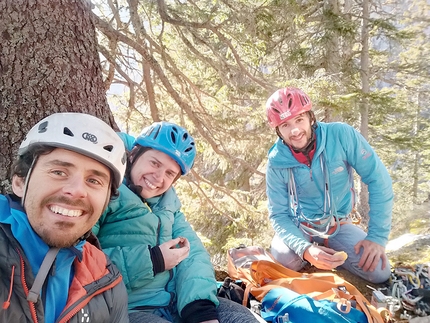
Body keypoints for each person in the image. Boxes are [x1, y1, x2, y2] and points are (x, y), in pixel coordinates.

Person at [93, 121, 262, 323]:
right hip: (130, 308)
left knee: (242, 319)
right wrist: (154, 260)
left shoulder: (168, 205)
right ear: (134, 154)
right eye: (154, 163)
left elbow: (194, 255)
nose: (158, 177)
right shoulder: (105, 191)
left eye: (169, 173)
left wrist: (199, 309)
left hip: (178, 304)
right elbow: (80, 260)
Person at [0, 113, 129, 323]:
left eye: (94, 180)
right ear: (20, 183)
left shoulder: (107, 281)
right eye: (59, 172)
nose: (77, 190)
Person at [265, 87, 393, 284]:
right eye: (285, 125)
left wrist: (377, 237)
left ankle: (333, 256)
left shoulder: (341, 136)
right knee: (285, 259)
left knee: (379, 271)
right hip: (300, 225)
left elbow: (378, 179)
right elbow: (279, 214)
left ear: (310, 117)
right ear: (278, 131)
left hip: (338, 224)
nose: (295, 130)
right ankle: (314, 257)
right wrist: (305, 250)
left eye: (299, 120)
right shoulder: (277, 161)